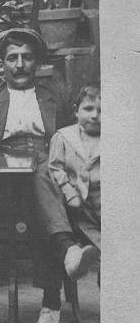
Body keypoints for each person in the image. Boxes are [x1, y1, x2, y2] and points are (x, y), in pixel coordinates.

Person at [0, 27, 98, 323]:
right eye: (12, 58)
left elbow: (75, 139)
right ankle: (55, 288)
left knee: (38, 175)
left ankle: (50, 308)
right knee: (33, 188)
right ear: (2, 64)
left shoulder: (56, 97)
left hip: (51, 181)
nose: (19, 64)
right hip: (0, 186)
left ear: (37, 63)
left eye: (27, 57)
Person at [48, 83, 101, 253]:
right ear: (76, 110)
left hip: (106, 202)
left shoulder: (114, 138)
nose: (95, 115)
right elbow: (55, 168)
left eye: (102, 111)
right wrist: (69, 192)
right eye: (88, 109)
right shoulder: (64, 137)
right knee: (86, 229)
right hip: (79, 205)